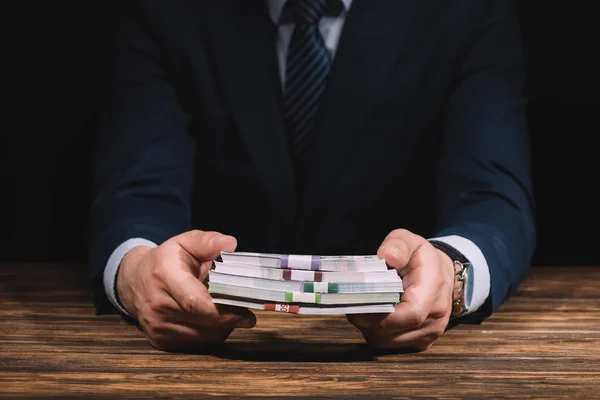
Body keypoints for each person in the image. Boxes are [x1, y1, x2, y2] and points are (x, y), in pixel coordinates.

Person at [88, 0, 535, 352]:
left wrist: (450, 275)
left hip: (396, 365)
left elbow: (492, 195)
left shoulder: (468, 8)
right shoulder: (166, 11)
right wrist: (137, 273)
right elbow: (138, 189)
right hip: (210, 349)